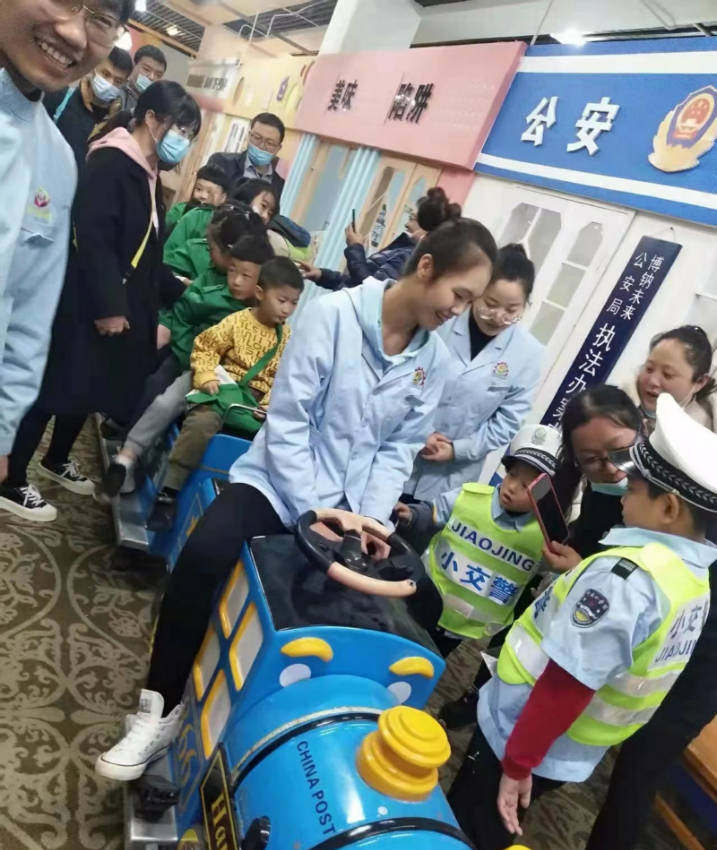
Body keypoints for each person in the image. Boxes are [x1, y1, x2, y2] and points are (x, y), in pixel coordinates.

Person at [94, 217, 498, 781]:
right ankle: (159, 710)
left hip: (353, 509)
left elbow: (397, 448)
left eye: (471, 302)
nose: (460, 311)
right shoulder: (333, 316)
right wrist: (313, 510)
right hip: (279, 487)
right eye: (460, 294)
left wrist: (368, 523)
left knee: (422, 604)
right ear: (426, 267)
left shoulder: (435, 361)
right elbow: (288, 423)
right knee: (203, 557)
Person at [448, 393, 717, 850]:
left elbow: (568, 682)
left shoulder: (625, 577)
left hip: (522, 731)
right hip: (569, 745)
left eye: (635, 486)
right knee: (488, 829)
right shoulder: (694, 579)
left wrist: (519, 762)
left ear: (669, 508)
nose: (622, 488)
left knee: (468, 826)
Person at [0, 80, 200, 521]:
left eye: (190, 134)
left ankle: (56, 460)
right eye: (180, 129)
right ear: (152, 119)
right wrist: (110, 305)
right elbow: (93, 237)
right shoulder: (113, 161)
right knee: (55, 387)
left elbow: (144, 247)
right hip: (88, 301)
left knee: (86, 388)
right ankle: (11, 480)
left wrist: (177, 287)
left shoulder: (148, 172)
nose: (183, 141)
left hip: (118, 303)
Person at [439, 384, 643, 729]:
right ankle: (480, 697)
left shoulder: (650, 496)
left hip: (604, 622)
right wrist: (572, 566)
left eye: (617, 450)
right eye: (591, 460)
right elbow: (589, 538)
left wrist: (580, 570)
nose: (609, 467)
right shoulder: (596, 486)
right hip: (572, 586)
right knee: (518, 636)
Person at [0, 0, 132, 486]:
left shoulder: (56, 160)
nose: (75, 34)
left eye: (102, 19)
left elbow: (28, 320)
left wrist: (3, 433)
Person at [99, 229, 274, 500]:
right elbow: (185, 320)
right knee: (165, 401)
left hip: (241, 389)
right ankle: (126, 458)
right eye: (232, 271)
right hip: (201, 369)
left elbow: (279, 365)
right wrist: (194, 361)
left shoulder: (273, 322)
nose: (236, 281)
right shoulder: (212, 295)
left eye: (246, 276)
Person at [148, 256, 304, 530]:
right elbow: (205, 347)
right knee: (201, 423)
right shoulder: (236, 322)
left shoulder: (288, 339)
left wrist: (270, 404)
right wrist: (206, 376)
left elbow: (287, 379)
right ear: (260, 293)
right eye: (282, 300)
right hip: (223, 394)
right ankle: (169, 491)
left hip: (256, 408)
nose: (287, 309)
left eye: (294, 303)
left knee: (284, 447)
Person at [396, 423, 562, 658]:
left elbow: (553, 572)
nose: (512, 487)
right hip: (420, 601)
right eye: (512, 475)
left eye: (527, 486)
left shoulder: (545, 536)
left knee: (426, 663)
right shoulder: (470, 496)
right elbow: (433, 512)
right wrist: (411, 514)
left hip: (462, 628)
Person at [404, 244, 544, 501]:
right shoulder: (441, 320)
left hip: (450, 478)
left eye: (511, 310)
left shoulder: (528, 353)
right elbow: (404, 377)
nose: (498, 316)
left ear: (525, 306)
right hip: (400, 450)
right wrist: (419, 431)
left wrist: (457, 450)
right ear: (476, 293)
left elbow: (508, 421)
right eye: (490, 303)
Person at [301, 188, 461, 291]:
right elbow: (353, 283)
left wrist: (355, 248)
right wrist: (321, 275)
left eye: (412, 219)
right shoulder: (404, 249)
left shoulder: (411, 258)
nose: (406, 224)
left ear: (427, 226)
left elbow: (369, 291)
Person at [44, 46, 132, 168]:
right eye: (105, 74)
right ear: (93, 68)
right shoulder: (60, 98)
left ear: (124, 84)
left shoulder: (115, 127)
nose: (110, 83)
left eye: (118, 81)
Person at [623, 325, 716, 433]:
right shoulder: (622, 400)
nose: (653, 381)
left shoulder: (701, 432)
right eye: (649, 369)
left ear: (700, 382)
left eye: (667, 374)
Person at [209, 112, 286, 199]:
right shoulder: (222, 163)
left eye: (270, 143)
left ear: (278, 148)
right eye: (257, 137)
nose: (262, 146)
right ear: (249, 136)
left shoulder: (280, 186)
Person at [165, 163, 230, 233]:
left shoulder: (221, 222)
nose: (203, 196)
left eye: (210, 192)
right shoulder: (180, 209)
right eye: (199, 189)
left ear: (222, 198)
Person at [118, 43, 166, 113]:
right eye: (147, 69)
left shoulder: (154, 109)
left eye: (158, 75)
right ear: (134, 65)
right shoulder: (116, 90)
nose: (151, 77)